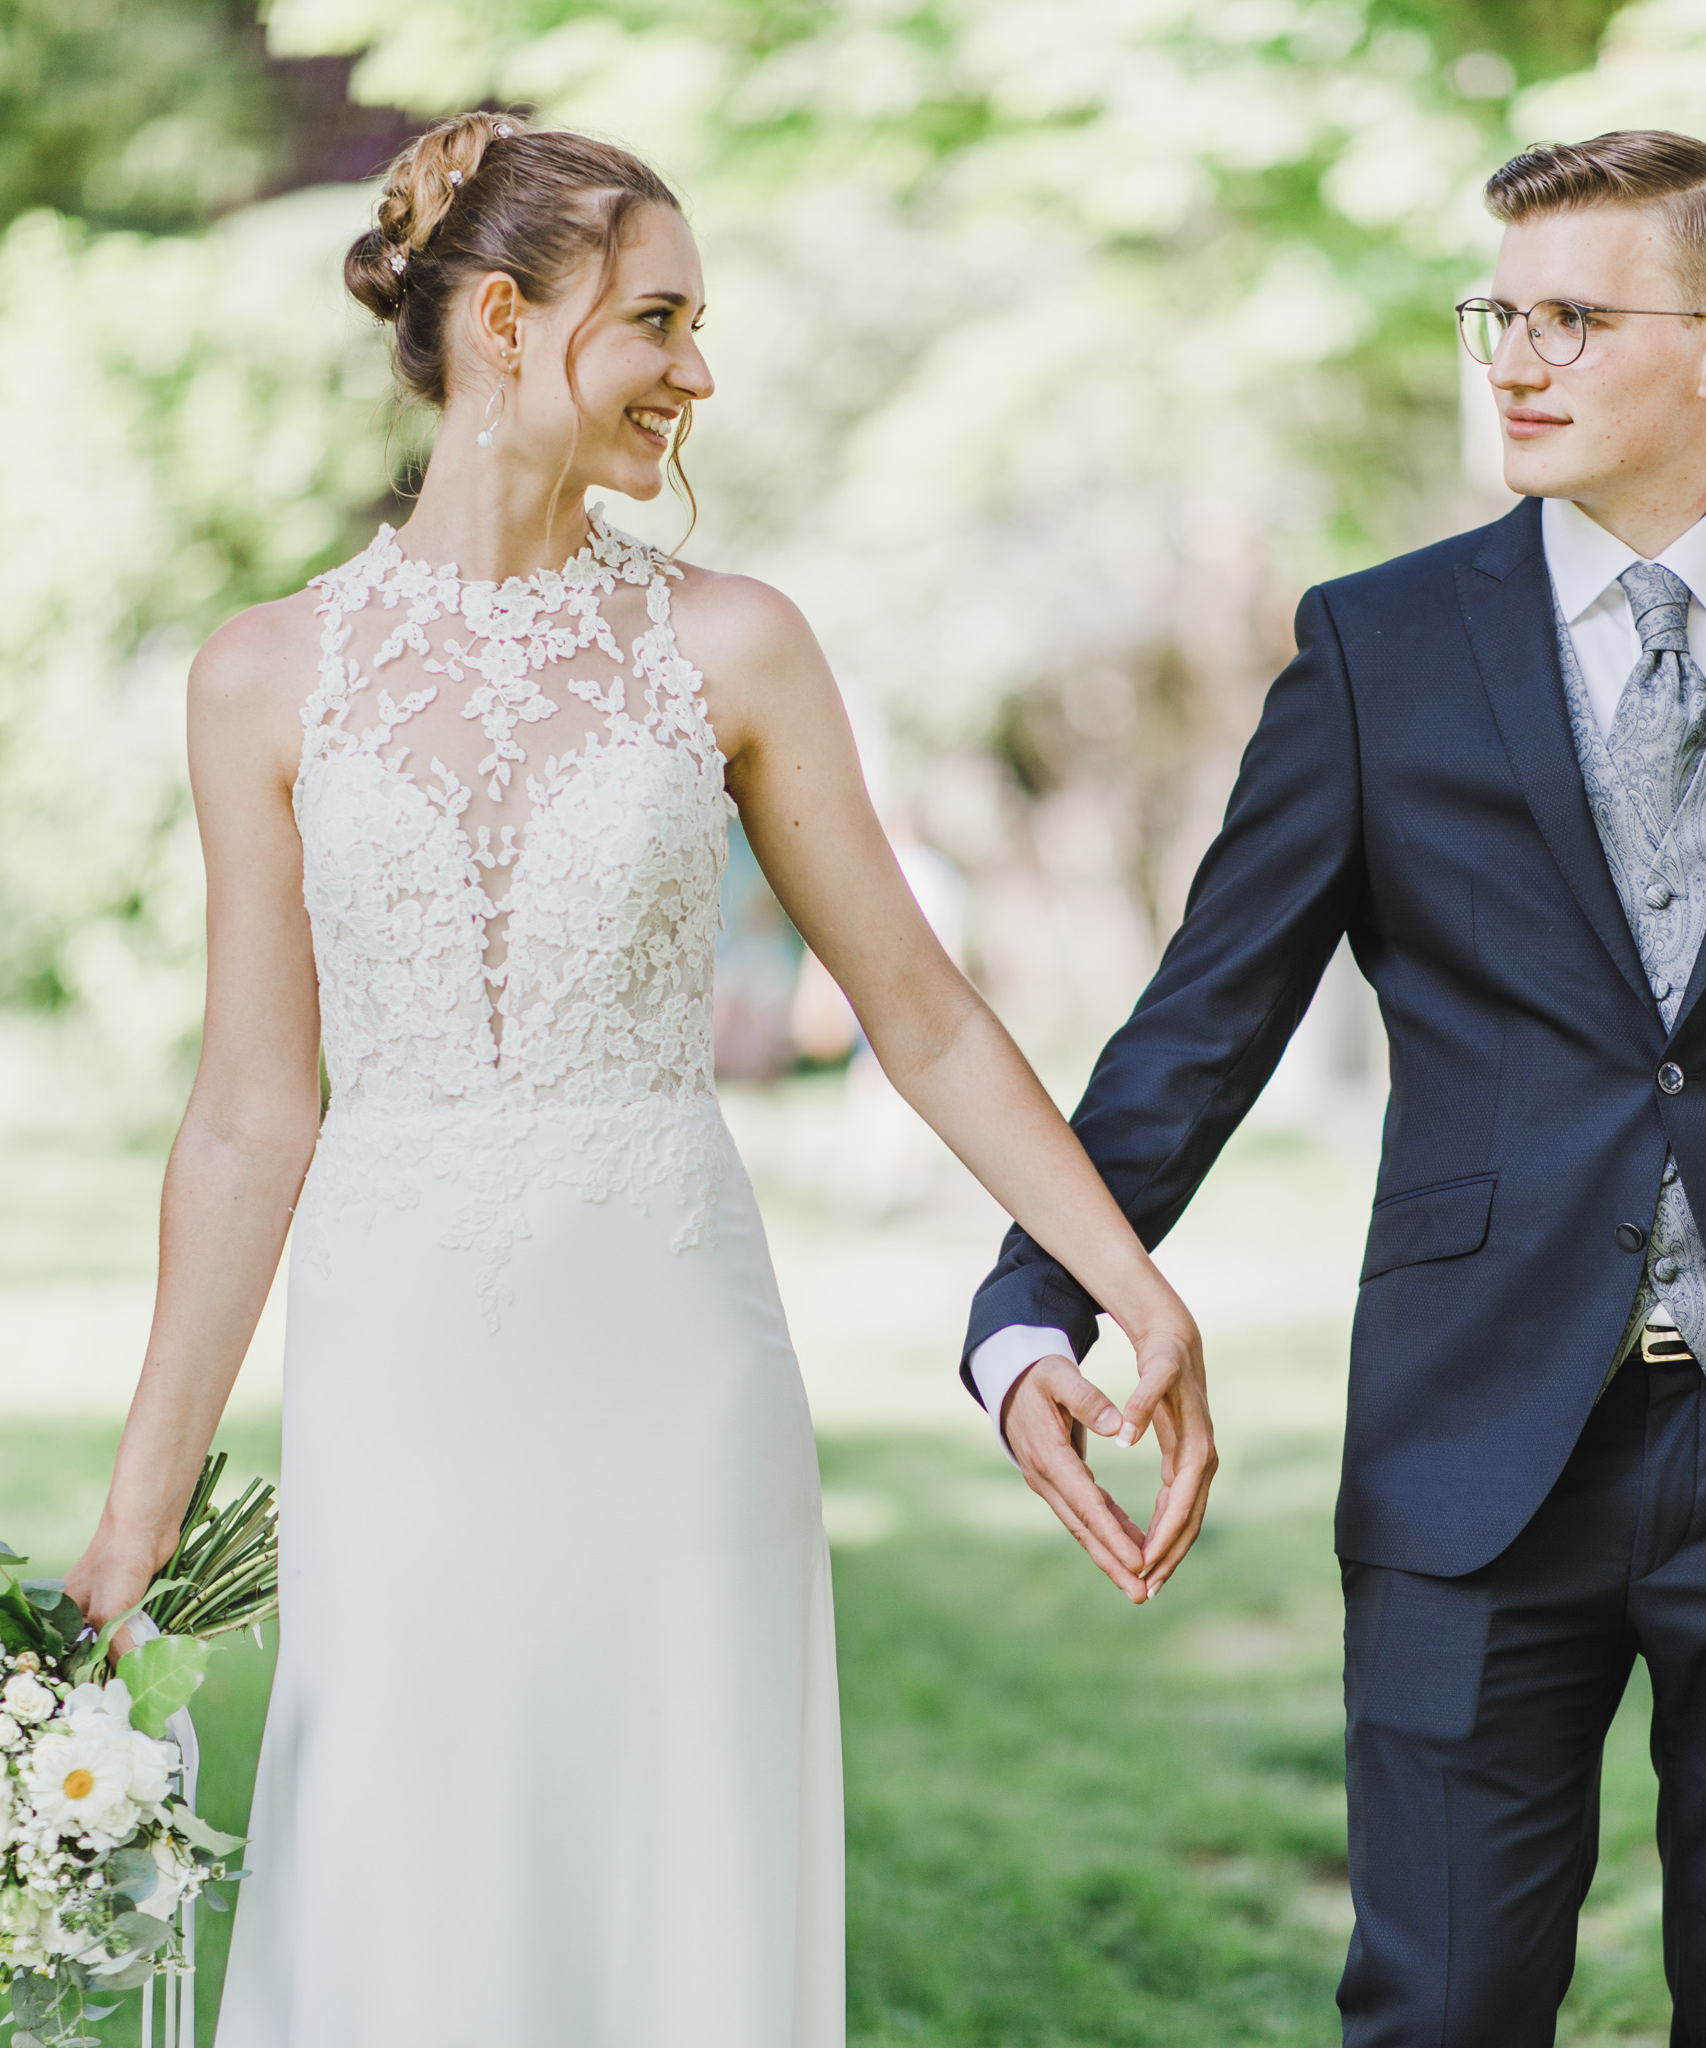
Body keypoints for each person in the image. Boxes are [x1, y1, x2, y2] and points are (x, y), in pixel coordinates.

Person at [59, 109, 1215, 2046]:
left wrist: (1127, 1276)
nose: (699, 369)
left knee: (675, 1895)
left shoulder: (738, 647)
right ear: (503, 322)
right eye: (658, 320)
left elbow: (918, 1008)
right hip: (399, 1374)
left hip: (676, 1373)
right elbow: (256, 1111)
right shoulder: (264, 679)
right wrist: (134, 1511)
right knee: (405, 1884)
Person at [963, 130, 1706, 2045]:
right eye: (1502, 313)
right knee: (1443, 2007)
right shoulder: (1376, 648)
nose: (1516, 358)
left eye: (1576, 316)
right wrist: (1031, 1308)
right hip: (1476, 1438)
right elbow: (1197, 1030)